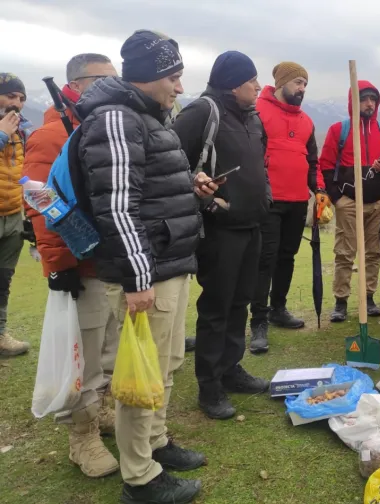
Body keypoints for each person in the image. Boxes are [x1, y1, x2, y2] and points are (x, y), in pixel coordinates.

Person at [75, 30, 217, 503]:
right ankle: (140, 477)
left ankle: (156, 443)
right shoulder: (116, 119)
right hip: (147, 272)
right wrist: (138, 278)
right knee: (141, 375)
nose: (180, 87)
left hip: (169, 262)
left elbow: (151, 187)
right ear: (150, 76)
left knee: (167, 363)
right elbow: (117, 206)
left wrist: (186, 183)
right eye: (174, 76)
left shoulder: (147, 117)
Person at [22, 53, 121, 478]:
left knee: (113, 351)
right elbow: (43, 203)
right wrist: (59, 264)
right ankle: (82, 439)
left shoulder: (104, 127)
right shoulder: (48, 136)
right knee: (85, 360)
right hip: (81, 267)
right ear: (79, 84)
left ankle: (104, 412)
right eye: (105, 80)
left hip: (116, 264)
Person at [172, 51, 271, 421]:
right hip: (219, 229)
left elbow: (259, 164)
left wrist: (264, 197)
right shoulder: (202, 112)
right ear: (233, 83)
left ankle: (231, 370)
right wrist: (206, 197)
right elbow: (172, 162)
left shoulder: (252, 117)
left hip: (251, 226)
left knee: (239, 302)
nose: (258, 87)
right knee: (216, 305)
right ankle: (209, 385)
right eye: (251, 81)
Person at [250, 61, 327, 349]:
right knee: (264, 261)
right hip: (268, 200)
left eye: (305, 84)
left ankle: (277, 309)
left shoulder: (306, 121)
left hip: (297, 201)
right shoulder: (258, 112)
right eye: (297, 83)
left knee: (287, 257)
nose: (302, 88)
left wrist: (318, 189)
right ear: (282, 83)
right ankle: (257, 321)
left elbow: (312, 162)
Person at [319, 80, 380, 322]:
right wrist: (337, 199)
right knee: (344, 252)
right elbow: (325, 166)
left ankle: (368, 297)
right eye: (364, 99)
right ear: (353, 102)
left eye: (373, 100)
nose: (369, 104)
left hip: (379, 202)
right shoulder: (340, 130)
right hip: (348, 202)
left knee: (373, 252)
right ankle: (341, 300)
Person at [0, 72, 34, 356]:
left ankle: (0, 336)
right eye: (11, 96)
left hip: (12, 214)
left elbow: (24, 172)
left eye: (21, 98)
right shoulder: (7, 130)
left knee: (3, 279)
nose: (17, 104)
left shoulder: (22, 131)